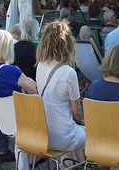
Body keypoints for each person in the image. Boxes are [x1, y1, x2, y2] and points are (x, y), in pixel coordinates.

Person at [0, 29, 37, 164]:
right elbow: (34, 90)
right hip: (21, 124)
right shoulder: (12, 71)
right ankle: (36, 156)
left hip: (2, 123)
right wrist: (31, 80)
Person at [36, 21, 85, 163]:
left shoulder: (40, 65)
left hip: (44, 135)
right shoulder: (69, 72)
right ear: (67, 43)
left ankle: (69, 165)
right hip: (63, 136)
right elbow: (77, 114)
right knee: (91, 133)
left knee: (75, 131)